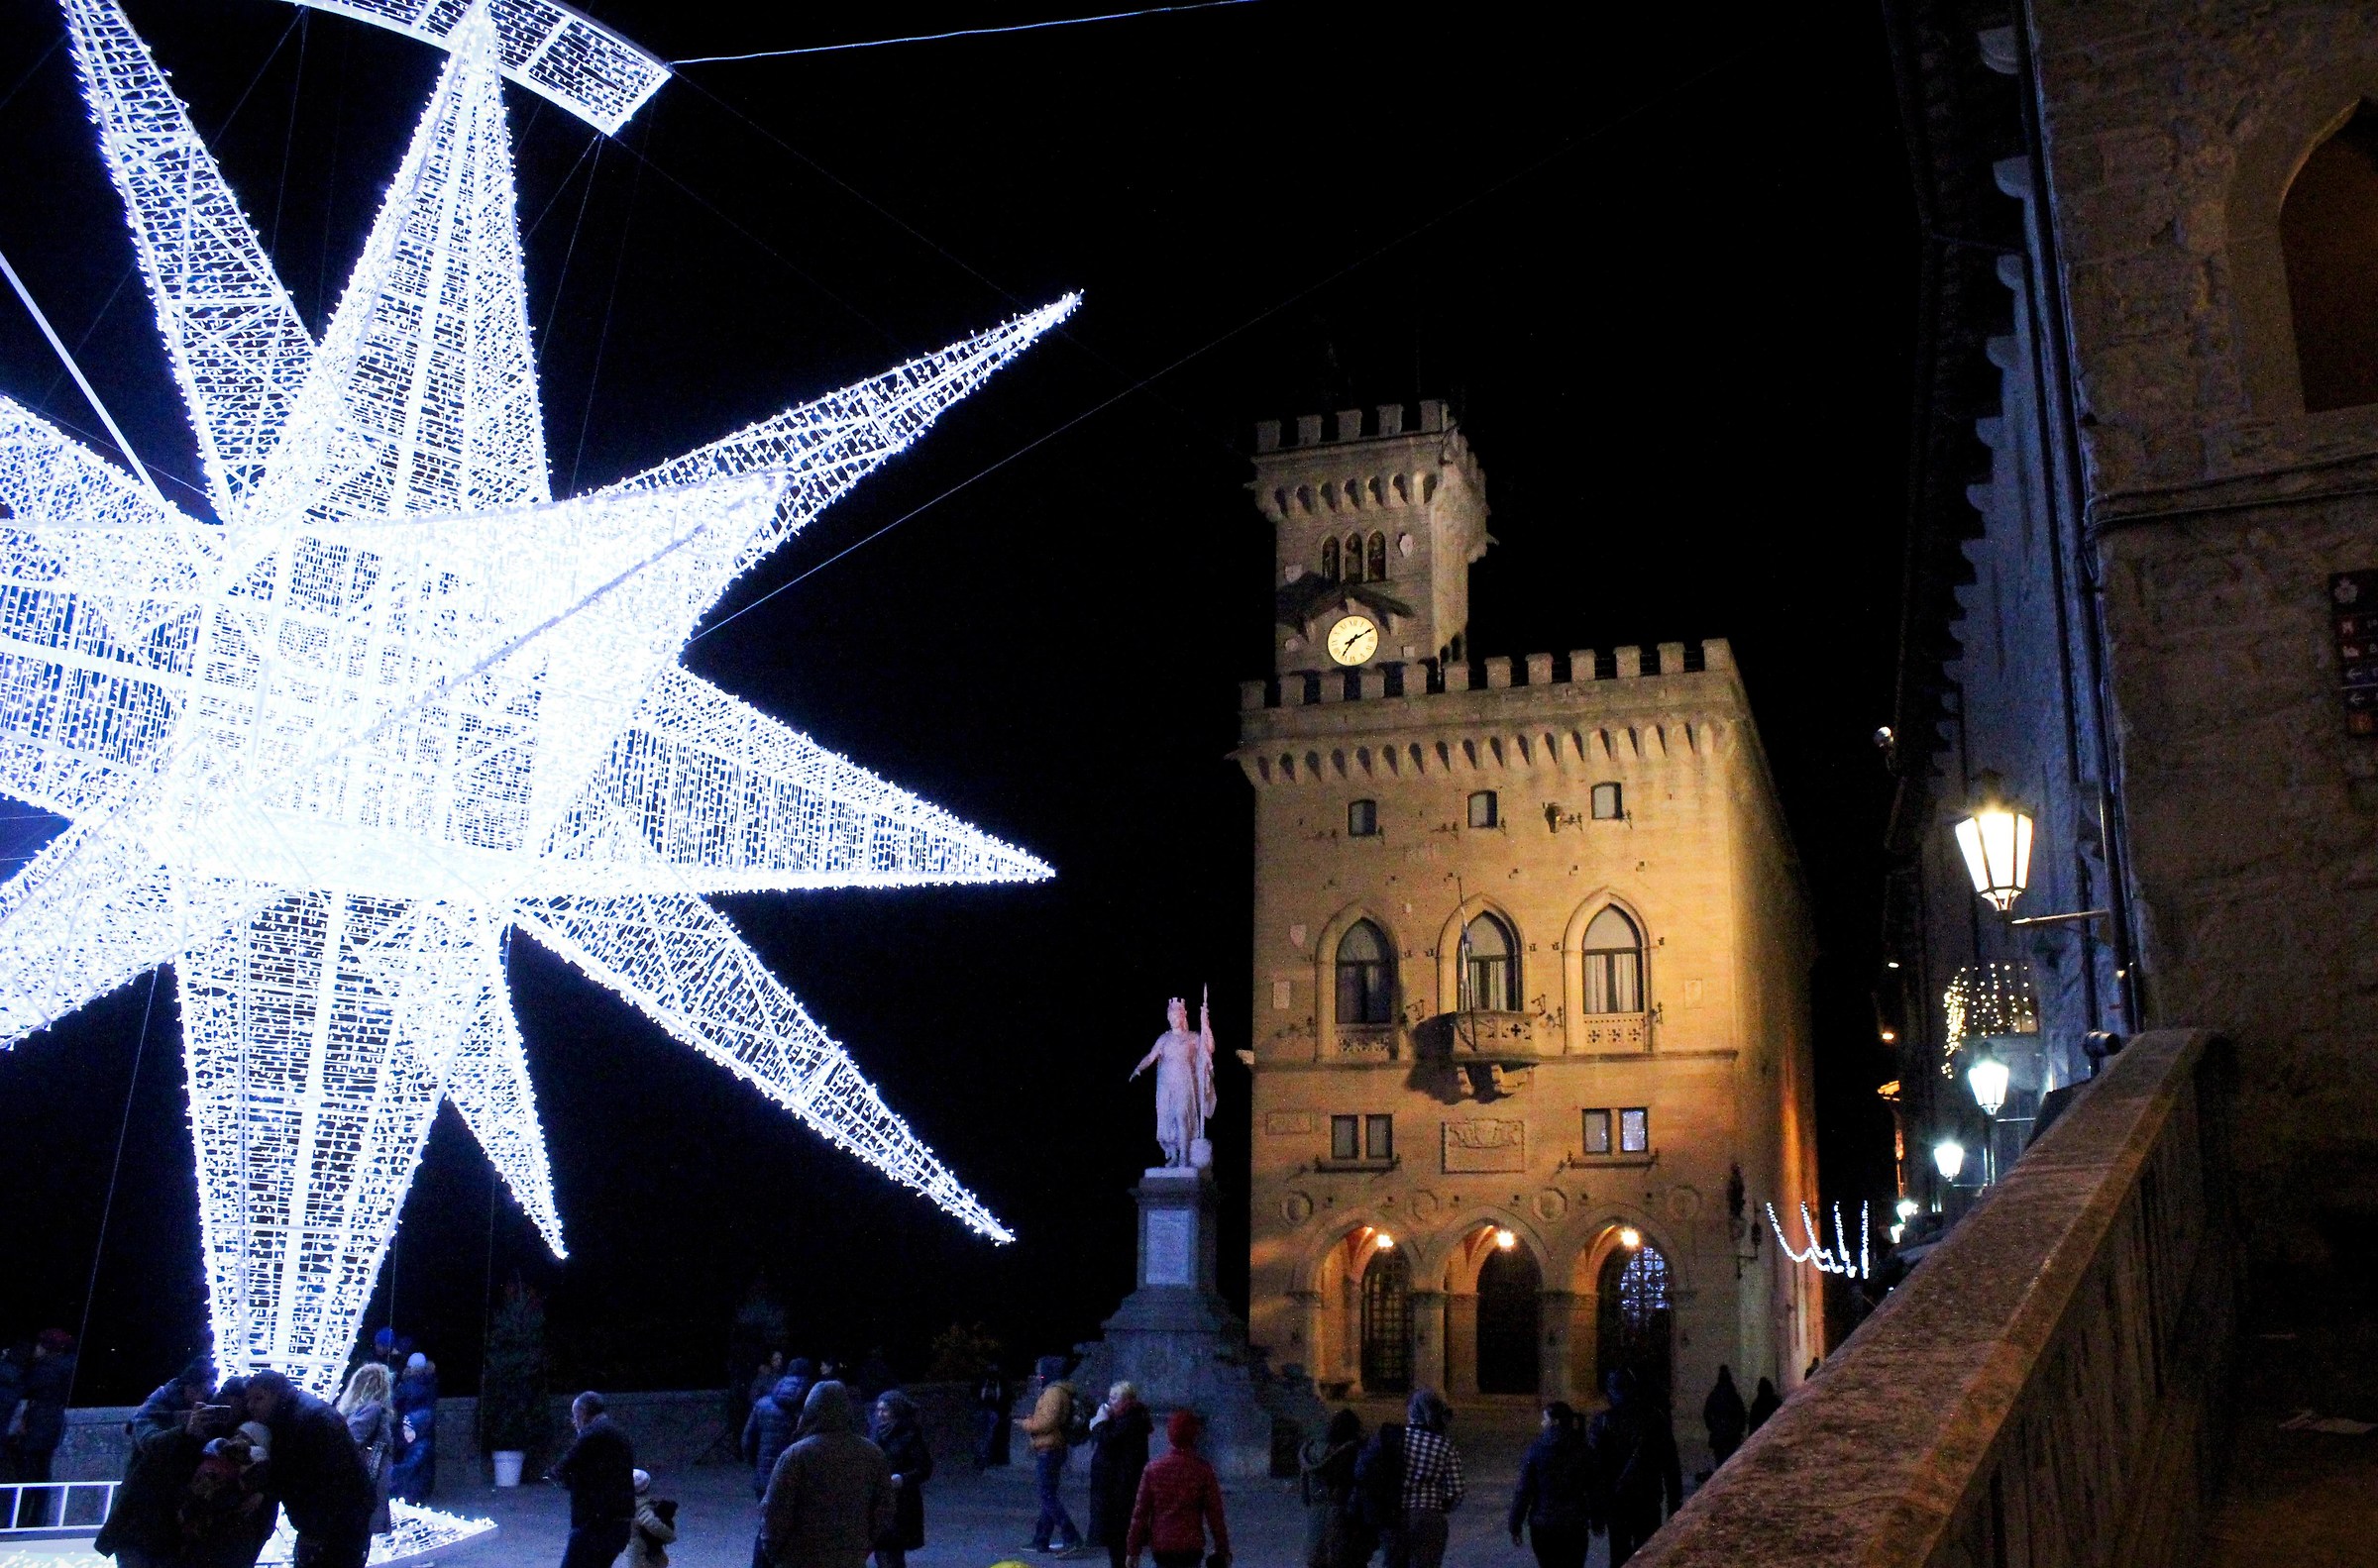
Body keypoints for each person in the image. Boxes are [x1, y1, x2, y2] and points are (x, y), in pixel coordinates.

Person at [98, 1395, 254, 1568]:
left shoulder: (210, 1447)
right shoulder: (162, 1429)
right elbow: (153, 1446)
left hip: (166, 1534)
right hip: (144, 1530)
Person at [242, 1368, 377, 1568]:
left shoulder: (310, 1420)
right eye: (249, 1400)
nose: (251, 1406)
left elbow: (331, 1482)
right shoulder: (291, 1416)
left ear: (277, 1395)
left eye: (259, 1398)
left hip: (337, 1529)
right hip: (334, 1525)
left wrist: (315, 1531)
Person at [759, 1381, 892, 1568]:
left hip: (801, 1558)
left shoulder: (796, 1455)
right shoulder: (871, 1453)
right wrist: (864, 1544)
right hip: (850, 1557)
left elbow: (775, 1510)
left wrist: (776, 1554)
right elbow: (884, 1508)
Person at [1586, 1369, 1681, 1568]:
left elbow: (1593, 1470)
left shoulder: (1603, 1421)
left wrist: (1596, 1511)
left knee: (1619, 1554)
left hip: (1616, 1500)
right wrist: (1675, 1505)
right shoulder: (1655, 1418)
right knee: (1647, 1555)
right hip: (1647, 1497)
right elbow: (1671, 1465)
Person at [1124, 1410, 1230, 1568]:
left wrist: (1133, 1551)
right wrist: (1222, 1549)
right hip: (1191, 1544)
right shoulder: (1202, 1470)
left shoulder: (1153, 1469)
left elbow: (1140, 1514)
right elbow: (1215, 1514)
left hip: (1162, 1544)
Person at [554, 1392, 637, 1568]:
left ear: (582, 1413)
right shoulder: (618, 1433)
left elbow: (564, 1466)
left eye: (575, 1417)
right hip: (619, 1523)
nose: (574, 1422)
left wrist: (558, 1476)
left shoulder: (591, 1434)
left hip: (594, 1524)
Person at [1506, 1403, 1591, 1568]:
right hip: (1575, 1523)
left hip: (1543, 1524)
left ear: (1554, 1422)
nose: (1542, 1423)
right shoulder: (1582, 1449)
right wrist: (1597, 1519)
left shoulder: (1536, 1449)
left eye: (1545, 1419)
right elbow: (1594, 1486)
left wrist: (1515, 1524)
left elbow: (1524, 1491)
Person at [1016, 1357, 1082, 1554]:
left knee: (1047, 1496)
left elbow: (1047, 1423)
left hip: (1049, 1448)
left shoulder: (1054, 1392)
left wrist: (1025, 1424)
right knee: (1048, 1496)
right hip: (1053, 1447)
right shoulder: (1059, 1390)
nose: (1038, 1376)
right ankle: (1041, 1539)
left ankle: (1071, 1537)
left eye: (1041, 1372)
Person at [1391, 1390, 1462, 1568]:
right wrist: (1440, 1504)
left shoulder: (1396, 1439)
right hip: (1428, 1517)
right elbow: (1456, 1490)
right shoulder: (1444, 1445)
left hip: (1394, 1515)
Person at [1087, 1381, 1152, 1568]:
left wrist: (1099, 1424)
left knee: (1120, 1540)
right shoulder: (1125, 1418)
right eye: (1110, 1396)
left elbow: (1109, 1441)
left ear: (1126, 1400)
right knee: (1118, 1543)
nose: (1109, 1401)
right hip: (1116, 1489)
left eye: (1114, 1397)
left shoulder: (1130, 1420)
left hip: (1120, 1491)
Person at [869, 1390, 932, 1568]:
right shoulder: (876, 1432)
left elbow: (924, 1468)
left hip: (902, 1502)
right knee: (881, 1548)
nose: (880, 1415)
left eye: (885, 1410)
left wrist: (902, 1479)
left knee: (893, 1550)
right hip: (879, 1498)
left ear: (895, 1411)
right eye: (878, 1410)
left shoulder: (910, 1434)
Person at [335, 1363, 396, 1537]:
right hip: (365, 1485)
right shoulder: (372, 1409)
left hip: (360, 1486)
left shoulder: (357, 1410)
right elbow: (349, 1441)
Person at [1298, 1409, 1364, 1568]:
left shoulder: (1310, 1451)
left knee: (1316, 1560)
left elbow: (1305, 1493)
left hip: (1316, 1515)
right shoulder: (1352, 1453)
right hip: (1342, 1518)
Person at [15, 1329, 76, 1482]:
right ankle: (39, 1504)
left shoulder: (45, 1368)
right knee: (43, 1467)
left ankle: (26, 1504)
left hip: (40, 1420)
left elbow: (26, 1387)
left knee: (29, 1469)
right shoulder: (67, 1366)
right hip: (55, 1419)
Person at [744, 1368, 810, 1499]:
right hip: (794, 1481)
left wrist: (755, 1463)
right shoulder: (808, 1409)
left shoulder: (762, 1404)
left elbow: (748, 1440)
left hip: (765, 1477)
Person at [132, 1358, 218, 1448]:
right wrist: (185, 1430)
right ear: (184, 1385)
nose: (200, 1397)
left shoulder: (210, 1402)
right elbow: (148, 1442)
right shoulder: (160, 1401)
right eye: (196, 1390)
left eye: (206, 1392)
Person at [387, 1353, 438, 1503]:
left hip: (408, 1428)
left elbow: (393, 1402)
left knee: (408, 1463)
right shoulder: (431, 1383)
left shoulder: (406, 1386)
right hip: (425, 1430)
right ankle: (420, 1496)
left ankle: (404, 1496)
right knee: (422, 1463)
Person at [618, 1468, 677, 1568]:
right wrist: (669, 1535)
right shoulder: (641, 1507)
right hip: (643, 1549)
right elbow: (652, 1523)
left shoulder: (628, 1503)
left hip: (638, 1547)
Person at [1702, 1366, 1748, 1470]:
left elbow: (1707, 1414)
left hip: (1719, 1435)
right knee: (1730, 1463)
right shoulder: (1734, 1395)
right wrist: (1739, 1429)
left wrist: (1713, 1428)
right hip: (1732, 1435)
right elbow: (1741, 1414)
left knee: (1720, 1462)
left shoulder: (1714, 1395)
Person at [974, 1365, 1013, 1469]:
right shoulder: (983, 1380)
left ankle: (985, 1458)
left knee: (989, 1435)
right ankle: (981, 1457)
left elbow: (1006, 1396)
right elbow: (975, 1392)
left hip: (994, 1410)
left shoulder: (1001, 1382)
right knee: (982, 1435)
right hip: (982, 1409)